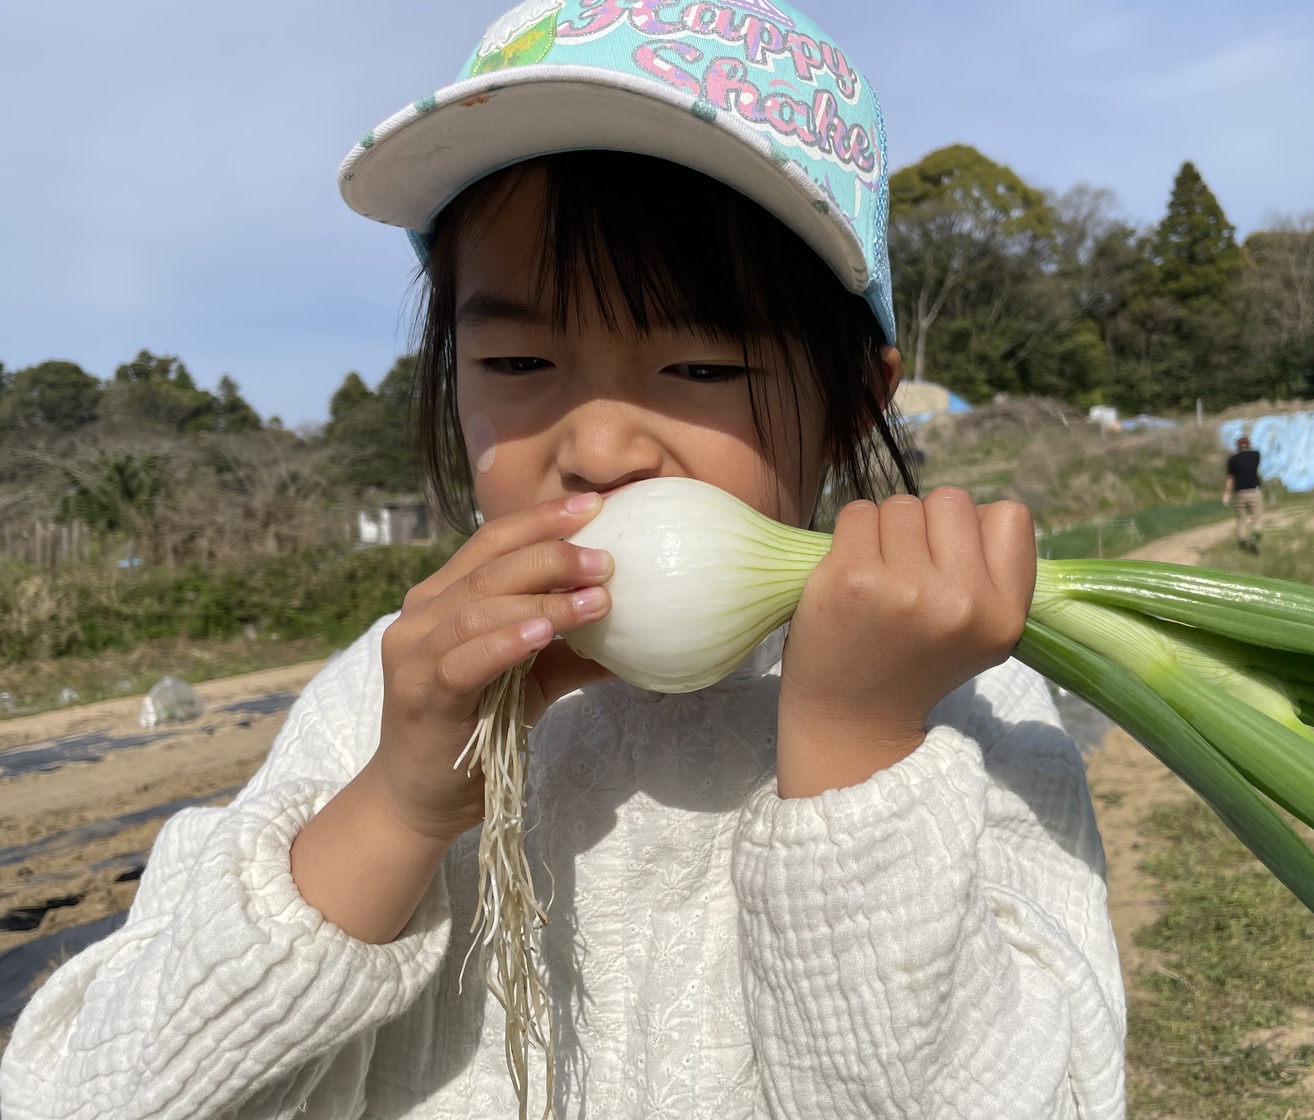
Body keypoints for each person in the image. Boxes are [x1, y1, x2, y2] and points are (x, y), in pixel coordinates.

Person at [0, 3, 1125, 1116]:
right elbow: (78, 1091)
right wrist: (394, 808)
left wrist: (856, 752)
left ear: (851, 402)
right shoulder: (385, 699)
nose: (594, 447)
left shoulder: (970, 710)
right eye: (520, 355)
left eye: (699, 367)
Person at [1223, 435, 1264, 553]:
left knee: (1241, 519)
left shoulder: (1232, 459)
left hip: (1239, 492)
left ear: (1238, 447)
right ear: (1249, 445)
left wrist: (1226, 494)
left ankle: (1242, 542)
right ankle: (1255, 537)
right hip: (1254, 491)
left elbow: (1230, 478)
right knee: (1258, 517)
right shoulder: (1256, 455)